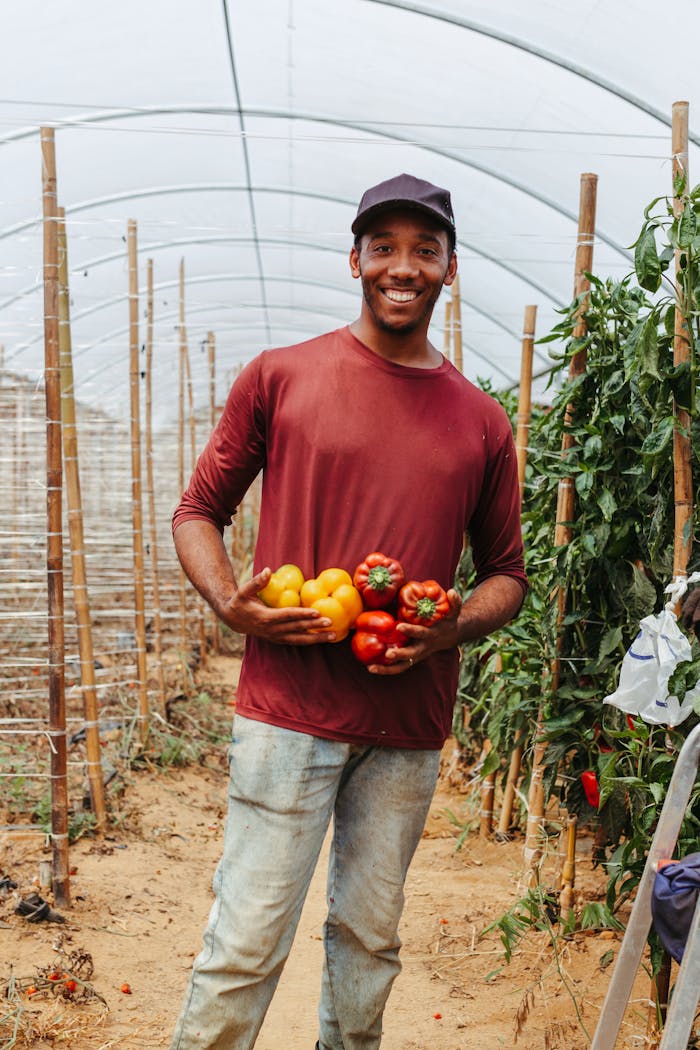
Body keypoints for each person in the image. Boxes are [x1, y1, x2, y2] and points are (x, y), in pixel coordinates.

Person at [169, 173, 528, 1050]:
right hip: (287, 714)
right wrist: (231, 604)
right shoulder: (282, 377)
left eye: (424, 249)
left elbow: (508, 576)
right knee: (245, 941)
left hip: (405, 728)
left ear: (449, 268)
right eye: (385, 248)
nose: (402, 266)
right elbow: (196, 514)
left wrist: (449, 627)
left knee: (369, 944)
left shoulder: (481, 421)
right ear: (356, 259)